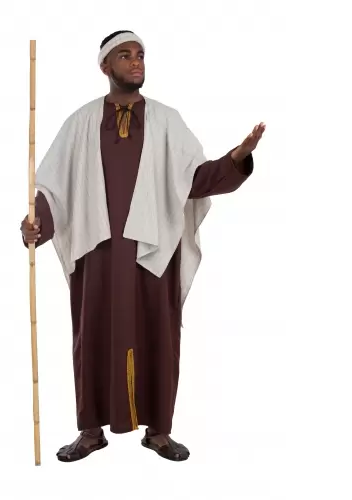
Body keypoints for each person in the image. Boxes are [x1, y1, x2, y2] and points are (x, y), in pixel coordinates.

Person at [20, 30, 265, 463]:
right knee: (91, 337)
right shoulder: (80, 122)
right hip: (97, 252)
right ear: (105, 66)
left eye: (140, 55)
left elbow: (196, 180)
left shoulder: (167, 121)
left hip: (153, 251)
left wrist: (236, 157)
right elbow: (52, 189)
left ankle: (159, 432)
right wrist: (37, 222)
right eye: (125, 55)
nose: (136, 62)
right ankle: (90, 431)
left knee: (160, 337)